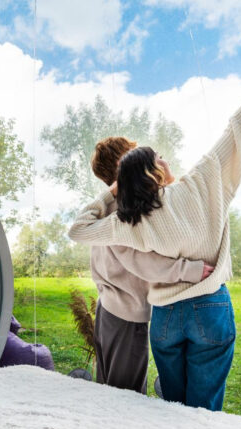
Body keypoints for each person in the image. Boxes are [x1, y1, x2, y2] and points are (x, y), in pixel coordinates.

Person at [68, 23, 241, 411]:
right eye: (160, 157)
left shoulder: (132, 220)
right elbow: (240, 131)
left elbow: (79, 229)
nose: (168, 159)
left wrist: (115, 191)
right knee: (204, 414)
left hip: (164, 317)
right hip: (209, 305)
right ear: (154, 171)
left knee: (173, 410)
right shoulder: (205, 182)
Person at [86, 136, 213, 394]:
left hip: (112, 308)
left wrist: (167, 183)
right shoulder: (124, 212)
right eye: (138, 156)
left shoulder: (114, 206)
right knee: (125, 395)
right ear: (125, 165)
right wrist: (190, 270)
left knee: (107, 390)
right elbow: (145, 263)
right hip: (125, 314)